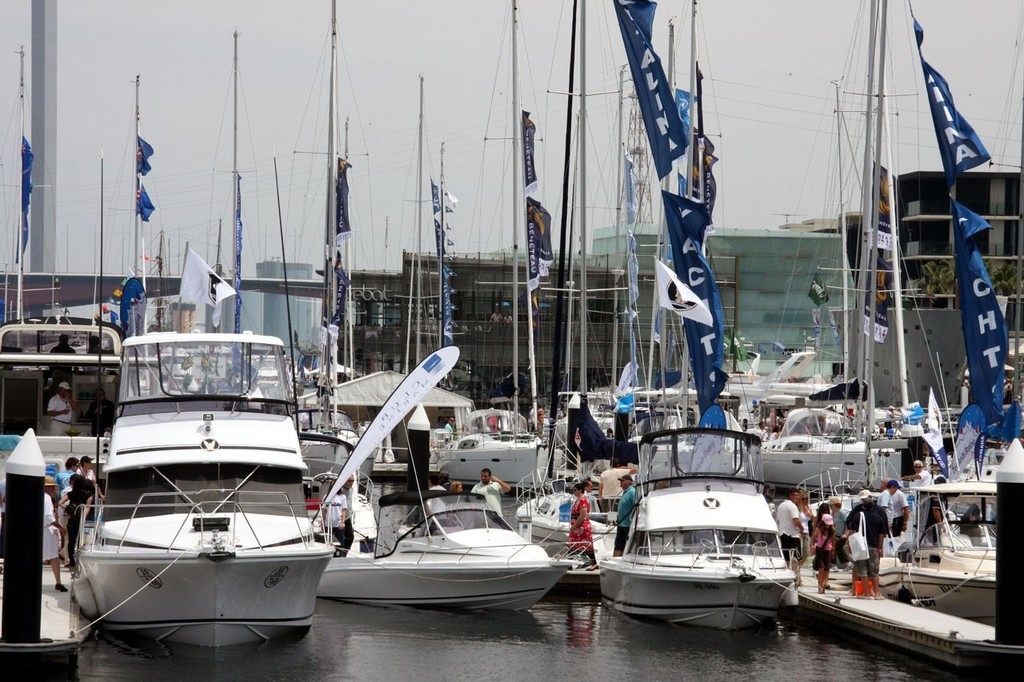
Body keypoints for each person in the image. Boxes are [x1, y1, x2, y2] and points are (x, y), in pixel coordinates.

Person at [845, 489, 888, 599]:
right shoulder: (879, 516)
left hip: (860, 546)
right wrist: (879, 547)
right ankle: (874, 592)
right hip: (874, 546)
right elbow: (882, 533)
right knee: (874, 571)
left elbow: (851, 529)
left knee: (862, 570)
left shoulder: (858, 514)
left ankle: (868, 593)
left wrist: (849, 544)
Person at [60, 474, 94, 569]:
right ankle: (80, 562)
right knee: (81, 542)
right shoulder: (88, 495)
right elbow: (87, 508)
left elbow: (60, 503)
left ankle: (72, 562)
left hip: (72, 520)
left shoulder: (70, 494)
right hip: (81, 520)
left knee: (71, 542)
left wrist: (68, 509)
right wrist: (83, 517)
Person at [43, 476, 68, 592]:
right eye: (51, 487)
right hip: (45, 530)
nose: (53, 489)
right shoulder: (47, 498)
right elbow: (49, 516)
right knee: (54, 557)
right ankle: (58, 582)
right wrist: (60, 527)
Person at [776, 488, 806, 584]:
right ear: (790, 496)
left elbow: (778, 520)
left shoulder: (781, 505)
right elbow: (796, 521)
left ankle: (788, 577)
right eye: (796, 495)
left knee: (787, 558)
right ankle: (796, 578)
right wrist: (802, 528)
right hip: (792, 535)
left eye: (798, 495)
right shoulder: (792, 506)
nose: (798, 497)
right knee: (797, 558)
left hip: (783, 534)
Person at [566, 482, 597, 569]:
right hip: (576, 528)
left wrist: (575, 526)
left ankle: (594, 562)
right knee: (572, 544)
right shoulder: (577, 500)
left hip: (581, 527)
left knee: (585, 545)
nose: (573, 492)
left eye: (575, 490)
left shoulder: (583, 500)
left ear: (580, 490)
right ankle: (569, 564)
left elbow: (583, 515)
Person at [613, 473, 638, 557]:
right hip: (621, 524)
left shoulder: (632, 492)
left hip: (628, 525)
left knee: (627, 546)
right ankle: (616, 559)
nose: (620, 483)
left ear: (627, 482)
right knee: (618, 544)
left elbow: (636, 507)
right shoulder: (625, 492)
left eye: (622, 481)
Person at [812, 513, 836, 594]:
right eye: (827, 523)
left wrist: (833, 550)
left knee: (827, 568)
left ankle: (823, 583)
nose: (828, 525)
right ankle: (820, 587)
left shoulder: (832, 530)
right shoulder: (819, 529)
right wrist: (812, 546)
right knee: (821, 568)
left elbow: (833, 540)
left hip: (828, 550)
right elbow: (813, 538)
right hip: (820, 550)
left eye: (829, 524)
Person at [828, 495, 849, 567]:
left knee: (839, 548)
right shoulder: (832, 514)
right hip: (834, 535)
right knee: (833, 548)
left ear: (835, 505)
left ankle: (847, 563)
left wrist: (846, 533)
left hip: (841, 535)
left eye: (831, 505)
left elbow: (847, 523)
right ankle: (833, 564)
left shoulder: (841, 513)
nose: (830, 507)